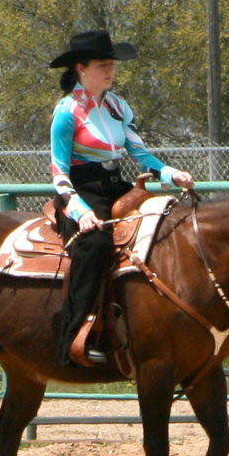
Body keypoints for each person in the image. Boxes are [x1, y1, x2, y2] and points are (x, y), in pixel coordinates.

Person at [48, 29, 195, 366]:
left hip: (115, 185)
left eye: (112, 64)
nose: (111, 71)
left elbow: (141, 154)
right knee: (95, 243)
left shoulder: (117, 106)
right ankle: (77, 331)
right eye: (103, 65)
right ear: (81, 69)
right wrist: (80, 210)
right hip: (82, 190)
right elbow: (58, 171)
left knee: (170, 222)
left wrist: (171, 174)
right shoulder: (67, 112)